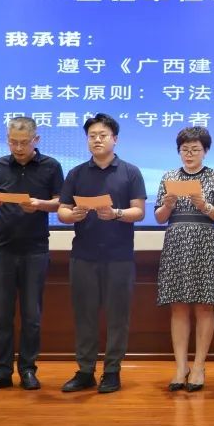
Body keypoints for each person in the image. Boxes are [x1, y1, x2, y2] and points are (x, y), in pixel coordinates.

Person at [57, 113, 147, 394]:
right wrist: (73, 214)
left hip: (119, 256)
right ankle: (85, 371)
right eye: (92, 136)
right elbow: (62, 211)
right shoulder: (76, 173)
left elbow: (139, 211)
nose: (97, 140)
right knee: (84, 315)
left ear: (114, 139)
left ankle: (112, 371)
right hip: (83, 255)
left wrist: (116, 213)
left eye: (103, 135)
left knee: (118, 316)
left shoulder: (130, 172)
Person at [0, 116, 63, 392]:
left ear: (36, 140)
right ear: (7, 139)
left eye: (24, 142)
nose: (19, 148)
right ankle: (1, 371)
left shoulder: (51, 166)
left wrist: (40, 204)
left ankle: (27, 369)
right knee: (0, 316)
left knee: (31, 316)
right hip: (2, 248)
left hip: (35, 249)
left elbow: (61, 203)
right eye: (13, 142)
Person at [154, 126, 214, 393]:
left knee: (204, 306)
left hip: (204, 243)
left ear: (205, 151)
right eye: (184, 149)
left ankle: (198, 366)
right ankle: (180, 367)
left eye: (195, 149)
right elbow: (159, 218)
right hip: (176, 244)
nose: (189, 154)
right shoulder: (169, 177)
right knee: (178, 306)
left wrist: (205, 205)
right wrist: (168, 204)